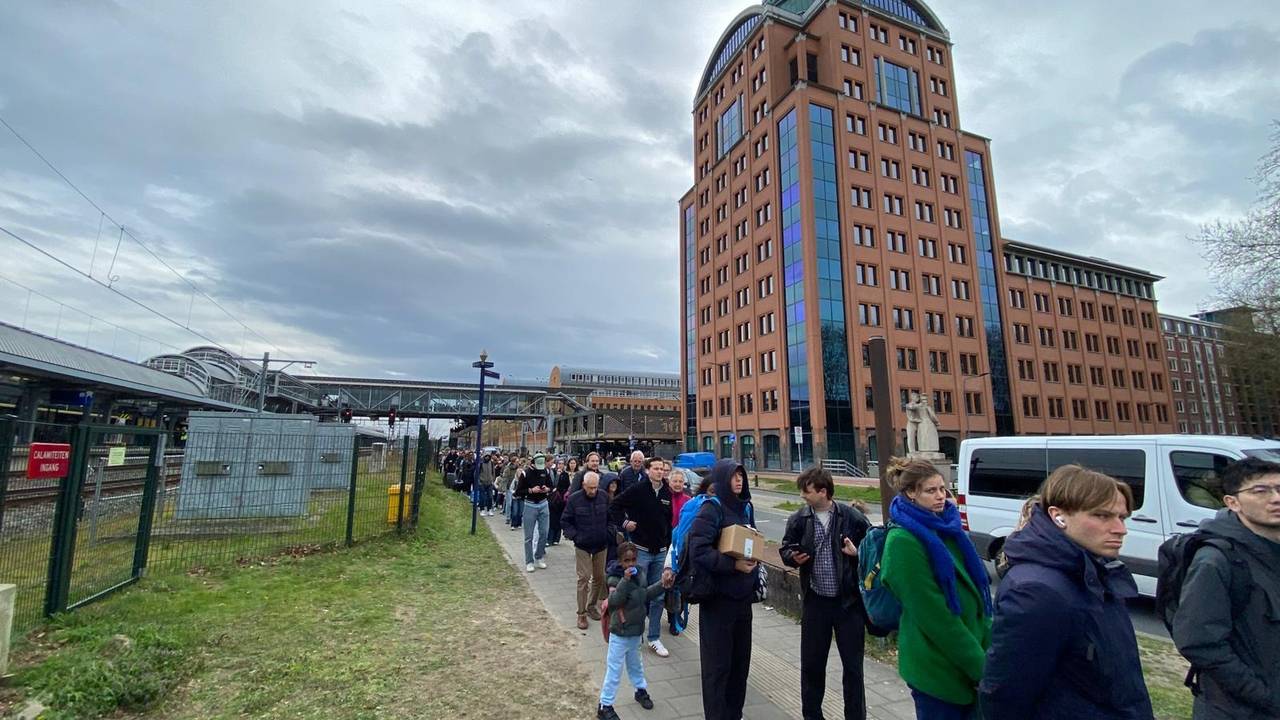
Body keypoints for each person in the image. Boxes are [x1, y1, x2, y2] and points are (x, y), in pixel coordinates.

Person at [980, 464, 1152, 719]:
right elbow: (1006, 692)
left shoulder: (1092, 568)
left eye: (1122, 517)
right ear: (1058, 516)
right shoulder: (1037, 591)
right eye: (1103, 516)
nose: (1120, 529)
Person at [879, 458, 991, 720]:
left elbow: (979, 596)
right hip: (938, 668)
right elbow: (935, 618)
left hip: (972, 655)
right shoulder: (903, 541)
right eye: (931, 491)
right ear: (910, 494)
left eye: (943, 489)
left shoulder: (948, 527)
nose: (941, 497)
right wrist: (981, 668)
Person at [1171, 457, 1280, 720]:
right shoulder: (1216, 560)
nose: (1276, 498)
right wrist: (1265, 696)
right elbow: (1199, 641)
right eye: (1261, 491)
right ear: (1233, 502)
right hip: (1238, 710)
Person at [780, 466, 871, 720]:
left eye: (806, 491)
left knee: (853, 668)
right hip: (815, 602)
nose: (802, 496)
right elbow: (786, 549)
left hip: (848, 603)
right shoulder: (799, 518)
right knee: (812, 666)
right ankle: (812, 716)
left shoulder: (851, 517)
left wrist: (858, 553)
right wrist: (792, 558)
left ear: (823, 491)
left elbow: (874, 549)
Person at [688, 459, 759, 720]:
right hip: (718, 601)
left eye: (741, 475)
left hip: (743, 600)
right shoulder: (712, 509)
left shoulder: (745, 508)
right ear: (721, 479)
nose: (739, 480)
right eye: (733, 476)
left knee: (740, 667)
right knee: (718, 669)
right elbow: (699, 551)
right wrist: (733, 565)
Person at [608, 456, 674, 657]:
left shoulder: (666, 491)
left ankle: (654, 637)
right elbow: (615, 506)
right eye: (655, 468)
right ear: (647, 470)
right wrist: (625, 524)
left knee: (658, 596)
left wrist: (668, 543)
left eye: (662, 469)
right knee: (637, 595)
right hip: (642, 549)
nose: (660, 472)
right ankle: (634, 635)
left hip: (661, 551)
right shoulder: (638, 490)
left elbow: (668, 519)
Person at [596, 542, 667, 719]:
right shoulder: (614, 578)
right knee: (614, 670)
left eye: (633, 560)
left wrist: (662, 584)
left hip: (636, 632)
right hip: (620, 632)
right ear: (620, 561)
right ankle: (605, 705)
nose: (631, 564)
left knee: (636, 665)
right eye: (626, 560)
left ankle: (640, 690)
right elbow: (614, 601)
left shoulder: (641, 574)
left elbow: (645, 594)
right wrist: (625, 580)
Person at [562, 470, 612, 630]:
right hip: (582, 545)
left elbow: (611, 518)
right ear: (583, 485)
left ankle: (591, 606)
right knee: (583, 579)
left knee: (599, 577)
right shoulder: (574, 499)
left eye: (595, 487)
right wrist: (575, 536)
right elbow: (565, 520)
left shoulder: (604, 497)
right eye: (590, 488)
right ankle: (581, 613)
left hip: (600, 544)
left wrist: (608, 533)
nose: (593, 491)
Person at [516, 453, 553, 571]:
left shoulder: (546, 472)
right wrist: (531, 490)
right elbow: (518, 491)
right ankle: (529, 561)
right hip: (530, 505)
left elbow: (551, 486)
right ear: (532, 463)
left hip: (543, 504)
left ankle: (539, 556)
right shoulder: (525, 473)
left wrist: (547, 489)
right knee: (529, 536)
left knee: (544, 533)